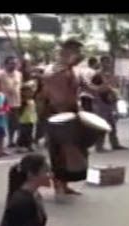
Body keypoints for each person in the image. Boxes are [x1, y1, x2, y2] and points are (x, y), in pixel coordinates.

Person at [36, 39, 89, 196]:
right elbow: (49, 84)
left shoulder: (74, 70)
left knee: (71, 150)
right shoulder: (54, 68)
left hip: (72, 112)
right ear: (67, 50)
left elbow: (84, 86)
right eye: (75, 49)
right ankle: (58, 183)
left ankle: (64, 183)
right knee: (58, 150)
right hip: (56, 113)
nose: (78, 53)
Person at [0, 56, 22, 149]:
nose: (14, 65)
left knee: (15, 123)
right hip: (4, 101)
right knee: (5, 123)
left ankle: (13, 140)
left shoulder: (19, 74)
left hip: (16, 101)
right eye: (11, 63)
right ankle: (4, 143)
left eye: (15, 63)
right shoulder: (0, 74)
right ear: (6, 64)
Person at [16, 81, 37, 152]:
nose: (30, 93)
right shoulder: (23, 101)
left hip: (31, 119)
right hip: (24, 120)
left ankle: (29, 145)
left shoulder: (32, 100)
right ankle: (21, 146)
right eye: (28, 92)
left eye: (31, 91)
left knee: (30, 133)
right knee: (23, 133)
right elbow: (19, 111)